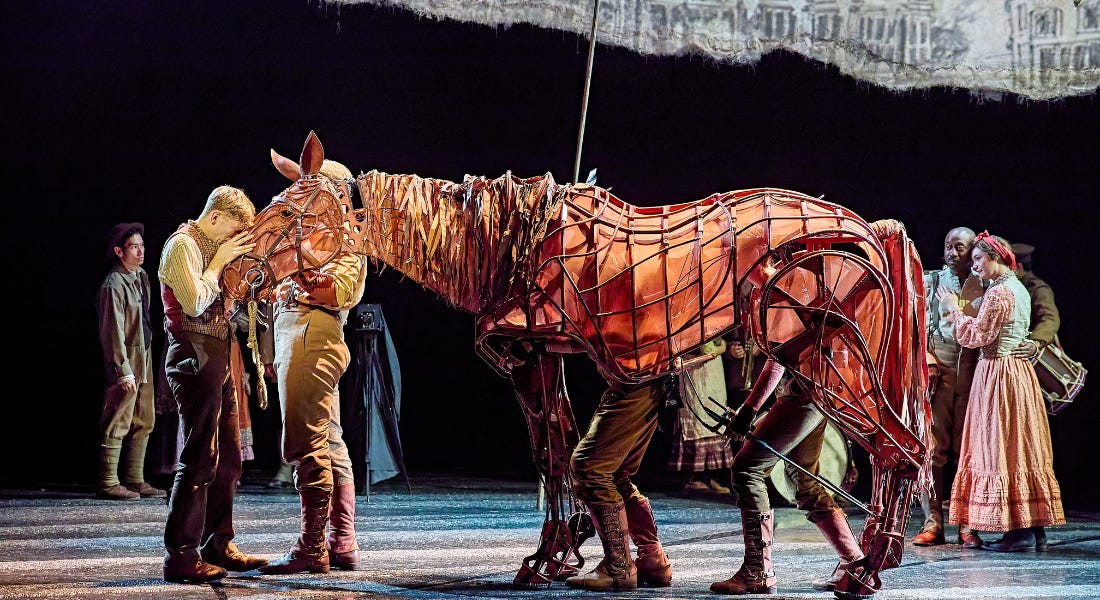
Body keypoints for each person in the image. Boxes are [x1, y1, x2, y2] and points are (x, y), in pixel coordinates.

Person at [260, 159, 367, 575]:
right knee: (330, 441)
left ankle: (311, 546)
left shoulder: (344, 241)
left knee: (307, 444)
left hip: (313, 339)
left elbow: (341, 290)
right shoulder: (305, 237)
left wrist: (298, 268)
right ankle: (343, 541)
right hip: (296, 339)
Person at [159, 185, 266, 583]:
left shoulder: (213, 248)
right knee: (200, 454)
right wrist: (220, 261)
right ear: (216, 217)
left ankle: (218, 543)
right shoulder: (182, 245)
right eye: (229, 235)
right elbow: (195, 302)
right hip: (193, 353)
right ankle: (181, 556)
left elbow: (226, 304)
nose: (230, 244)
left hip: (219, 352)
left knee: (230, 459)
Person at [938, 232, 1065, 552]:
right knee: (1018, 445)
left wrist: (952, 307)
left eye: (979, 259)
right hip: (1015, 374)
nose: (975, 265)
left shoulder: (999, 294)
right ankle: (1032, 528)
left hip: (998, 374)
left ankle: (1018, 532)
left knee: (1000, 447)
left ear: (997, 258)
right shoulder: (1017, 289)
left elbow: (974, 336)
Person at [710, 360, 864, 595]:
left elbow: (778, 359)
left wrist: (749, 410)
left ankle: (757, 572)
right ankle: (854, 564)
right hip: (818, 390)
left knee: (747, 469)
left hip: (804, 392)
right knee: (804, 482)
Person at [565, 376, 675, 591]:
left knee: (590, 468)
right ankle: (652, 558)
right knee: (616, 474)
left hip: (636, 382)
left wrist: (547, 345)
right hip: (649, 382)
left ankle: (618, 567)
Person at [912, 226, 984, 549]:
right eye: (948, 246)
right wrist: (924, 361)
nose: (952, 253)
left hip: (971, 369)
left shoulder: (984, 282)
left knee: (967, 450)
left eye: (959, 247)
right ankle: (933, 522)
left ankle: (968, 524)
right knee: (933, 448)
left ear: (972, 252)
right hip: (939, 367)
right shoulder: (931, 281)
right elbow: (918, 326)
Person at [95, 222, 166, 501]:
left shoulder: (141, 277)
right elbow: (112, 332)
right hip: (125, 360)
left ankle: (135, 478)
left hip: (143, 354)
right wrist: (122, 370)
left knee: (143, 417)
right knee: (118, 417)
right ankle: (107, 481)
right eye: (134, 247)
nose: (140, 251)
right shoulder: (114, 285)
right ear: (119, 251)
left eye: (142, 246)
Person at [668, 337, 733, 496]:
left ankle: (707, 477)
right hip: (695, 371)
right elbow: (707, 350)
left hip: (710, 374)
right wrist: (723, 347)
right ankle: (693, 479)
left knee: (714, 418)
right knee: (697, 419)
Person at [1007, 242, 1061, 360]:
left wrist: (1035, 342)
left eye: (1008, 266)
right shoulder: (1009, 286)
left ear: (1019, 267)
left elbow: (1049, 319)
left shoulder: (1038, 289)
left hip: (1029, 353)